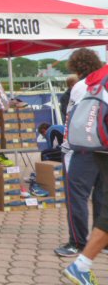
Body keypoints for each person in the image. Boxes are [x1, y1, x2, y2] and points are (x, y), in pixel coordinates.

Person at [55, 49, 104, 260]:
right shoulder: (105, 83)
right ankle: (101, 242)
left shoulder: (80, 87)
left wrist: (66, 147)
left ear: (75, 67)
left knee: (76, 197)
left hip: (82, 150)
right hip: (105, 148)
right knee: (102, 197)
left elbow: (71, 119)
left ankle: (77, 243)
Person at [63, 62, 108, 284]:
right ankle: (81, 259)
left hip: (94, 145)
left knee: (94, 200)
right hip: (95, 146)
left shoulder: (93, 80)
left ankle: (80, 255)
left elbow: (71, 115)